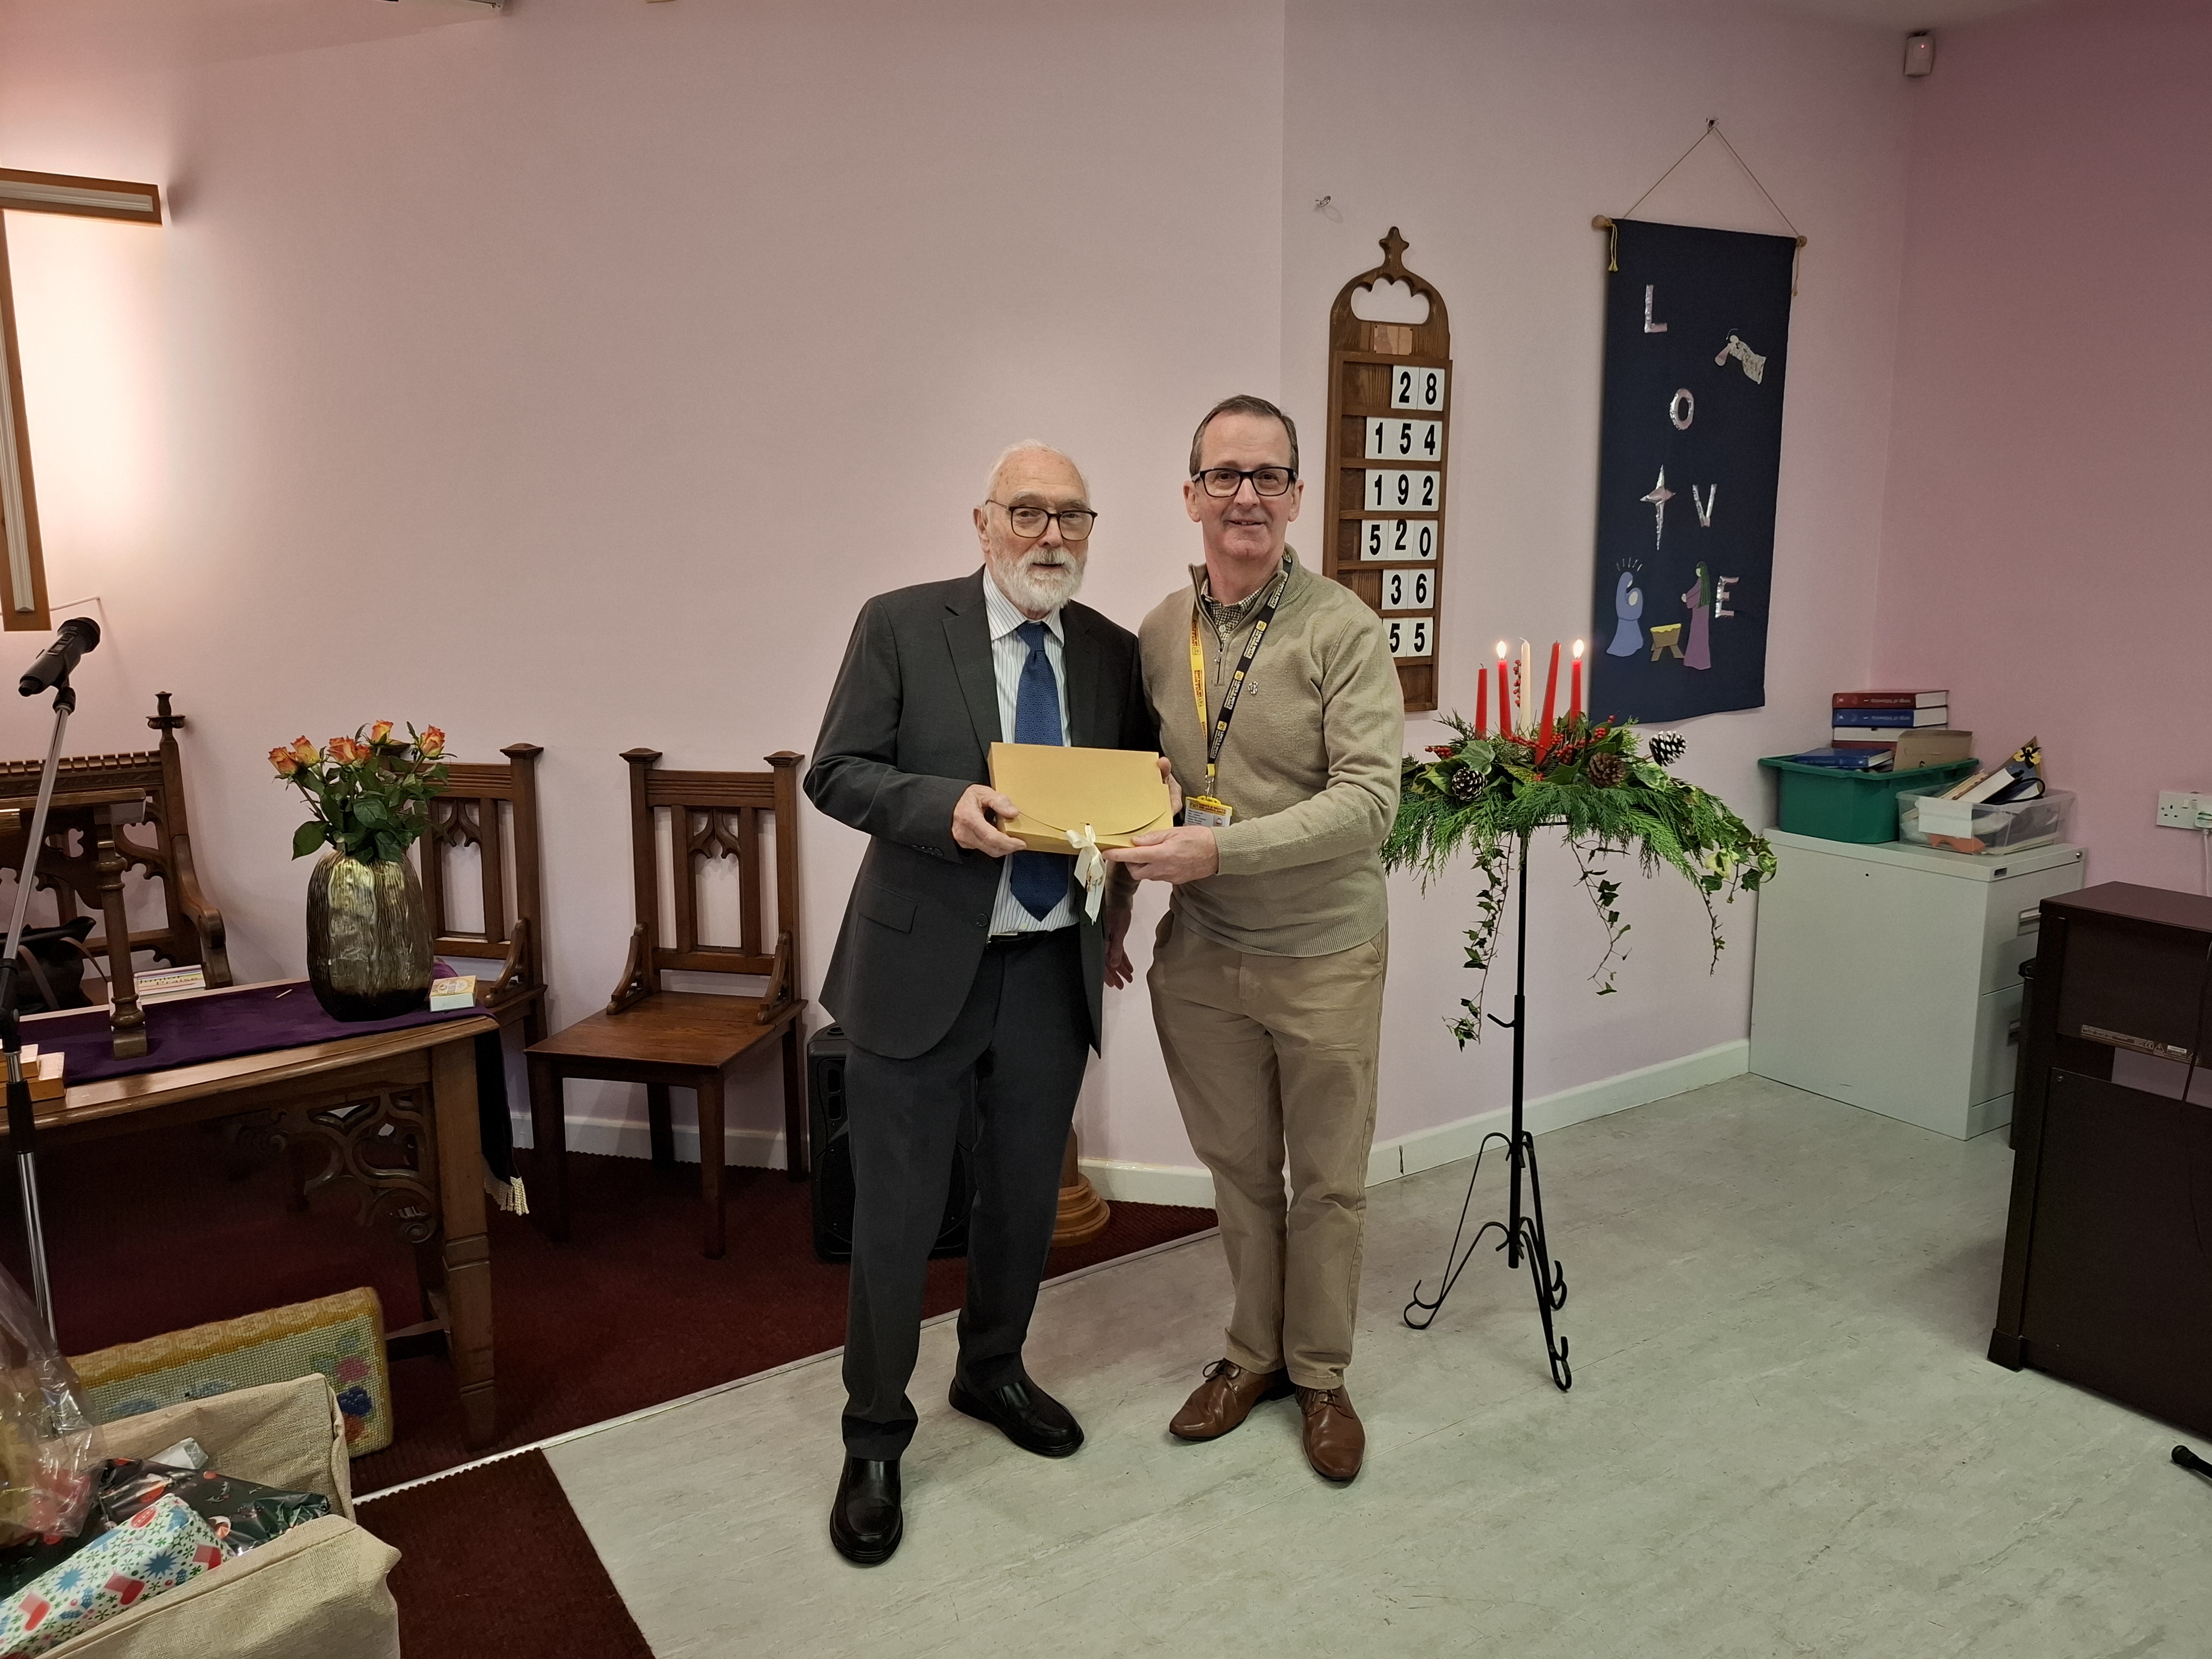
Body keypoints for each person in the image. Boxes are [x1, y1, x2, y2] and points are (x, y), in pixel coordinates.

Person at [805, 441, 1155, 1565]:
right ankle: (873, 1434)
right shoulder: (903, 624)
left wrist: (1115, 921)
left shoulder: (1107, 652)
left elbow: (1133, 799)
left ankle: (993, 1369)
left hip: (1050, 973)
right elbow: (837, 769)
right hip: (916, 975)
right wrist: (941, 804)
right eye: (1029, 512)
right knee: (898, 1218)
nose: (1052, 534)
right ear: (984, 522)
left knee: (1021, 1204)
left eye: (1073, 516)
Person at [1107, 395, 1401, 1483]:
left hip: (1324, 951)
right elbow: (1135, 792)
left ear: (1295, 497)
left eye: (1268, 476)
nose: (1246, 496)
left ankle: (1320, 1375)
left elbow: (1373, 803)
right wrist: (1115, 912)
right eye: (1225, 475)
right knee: (1238, 1171)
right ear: (1190, 496)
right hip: (1203, 959)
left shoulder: (1342, 628)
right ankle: (1253, 1355)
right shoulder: (1154, 633)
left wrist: (1219, 853)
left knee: (1325, 1180)